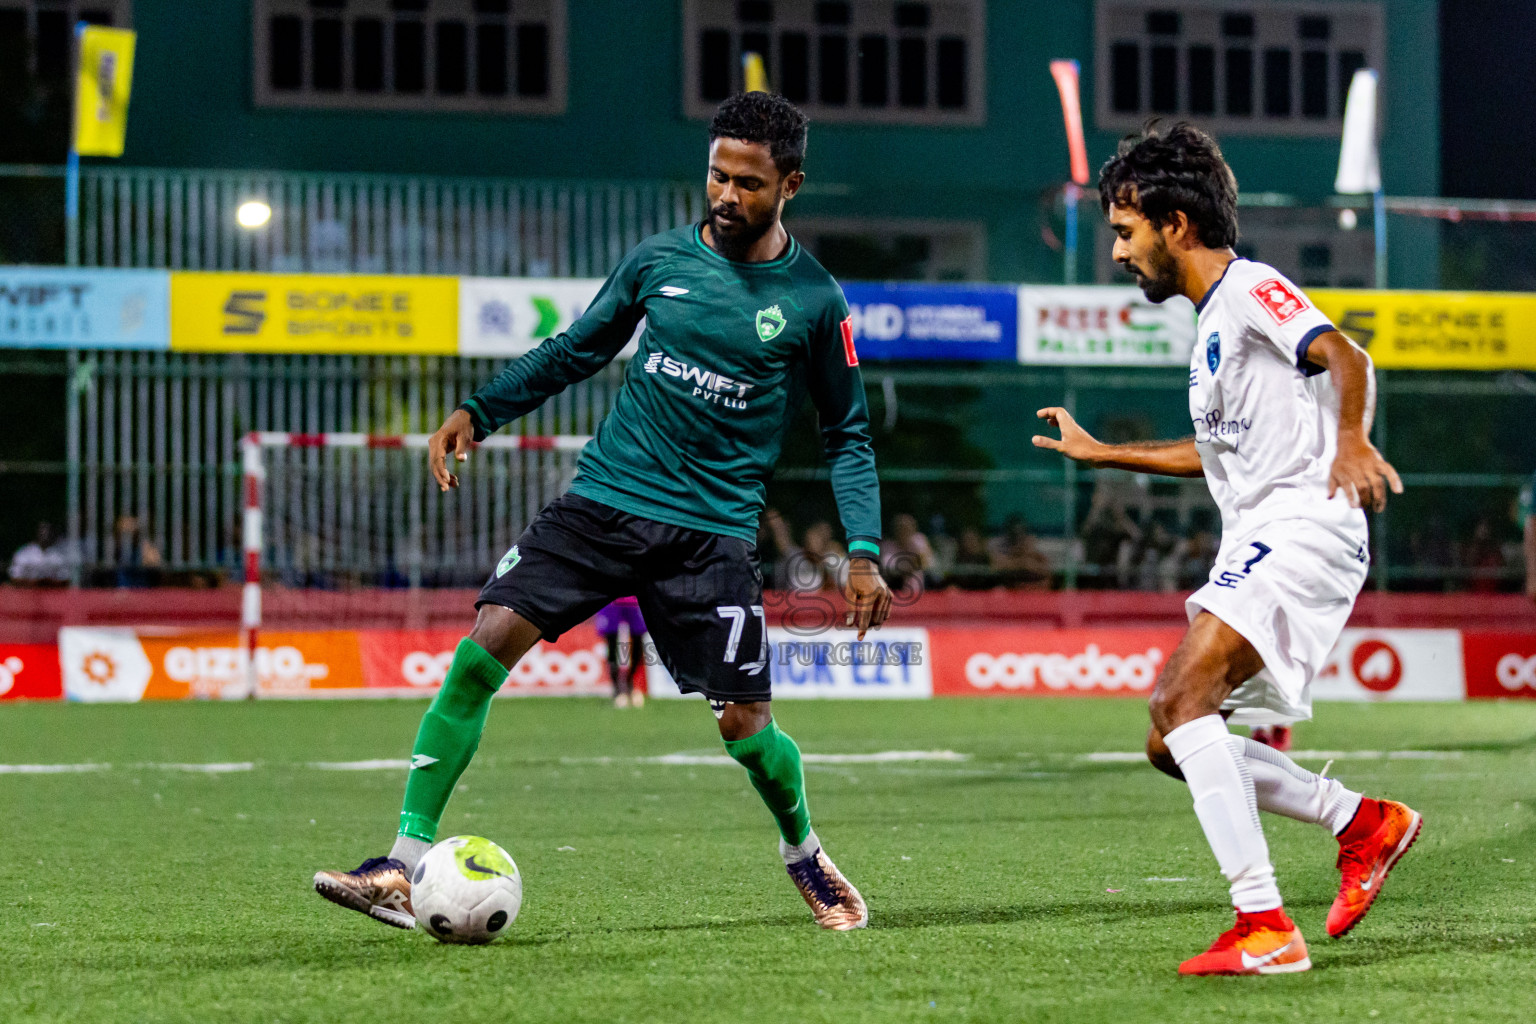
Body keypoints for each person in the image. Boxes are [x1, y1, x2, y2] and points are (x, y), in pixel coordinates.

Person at [314, 93, 892, 933]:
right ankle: (400, 864)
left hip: (710, 535)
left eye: (749, 184)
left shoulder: (814, 299)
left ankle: (802, 850)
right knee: (481, 653)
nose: (727, 197)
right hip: (602, 503)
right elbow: (578, 346)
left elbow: (848, 433)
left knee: (745, 729)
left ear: (791, 184)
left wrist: (864, 550)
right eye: (717, 177)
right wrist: (481, 409)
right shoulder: (658, 261)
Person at [1034, 123, 1421, 976]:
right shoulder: (1214, 330)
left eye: (1126, 232)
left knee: (1179, 700)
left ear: (1176, 224)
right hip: (1263, 534)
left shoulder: (1249, 289)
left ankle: (1264, 926)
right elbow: (1212, 453)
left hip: (1303, 525)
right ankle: (1360, 822)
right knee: (1171, 736)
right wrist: (1106, 453)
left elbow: (1344, 353)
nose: (1119, 252)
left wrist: (1351, 440)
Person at [595, 596, 647, 707]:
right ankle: (617, 689)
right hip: (610, 600)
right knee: (611, 644)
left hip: (635, 600)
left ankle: (629, 683)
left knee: (638, 646)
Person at [7, 521, 73, 586]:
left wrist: (48, 582)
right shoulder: (25, 553)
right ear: (37, 533)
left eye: (48, 531)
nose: (45, 534)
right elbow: (14, 577)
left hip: (53, 593)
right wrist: (34, 582)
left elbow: (67, 578)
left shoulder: (60, 554)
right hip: (28, 592)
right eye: (42, 531)